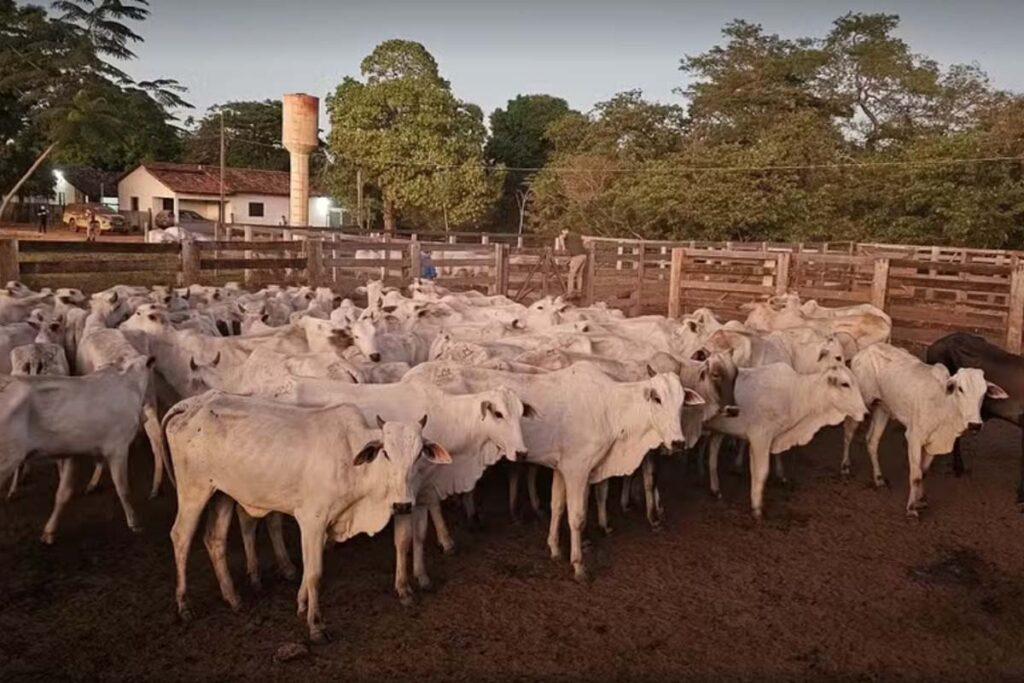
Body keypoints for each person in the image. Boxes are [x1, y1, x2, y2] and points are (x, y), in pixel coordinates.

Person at [560, 228, 588, 296]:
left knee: (571, 274)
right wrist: (583, 245)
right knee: (579, 274)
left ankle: (570, 292)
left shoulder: (567, 235)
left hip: (576, 256)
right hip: (584, 255)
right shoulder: (576, 235)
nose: (562, 233)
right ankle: (579, 291)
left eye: (563, 231)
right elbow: (587, 239)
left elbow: (560, 237)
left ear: (565, 230)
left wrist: (563, 247)